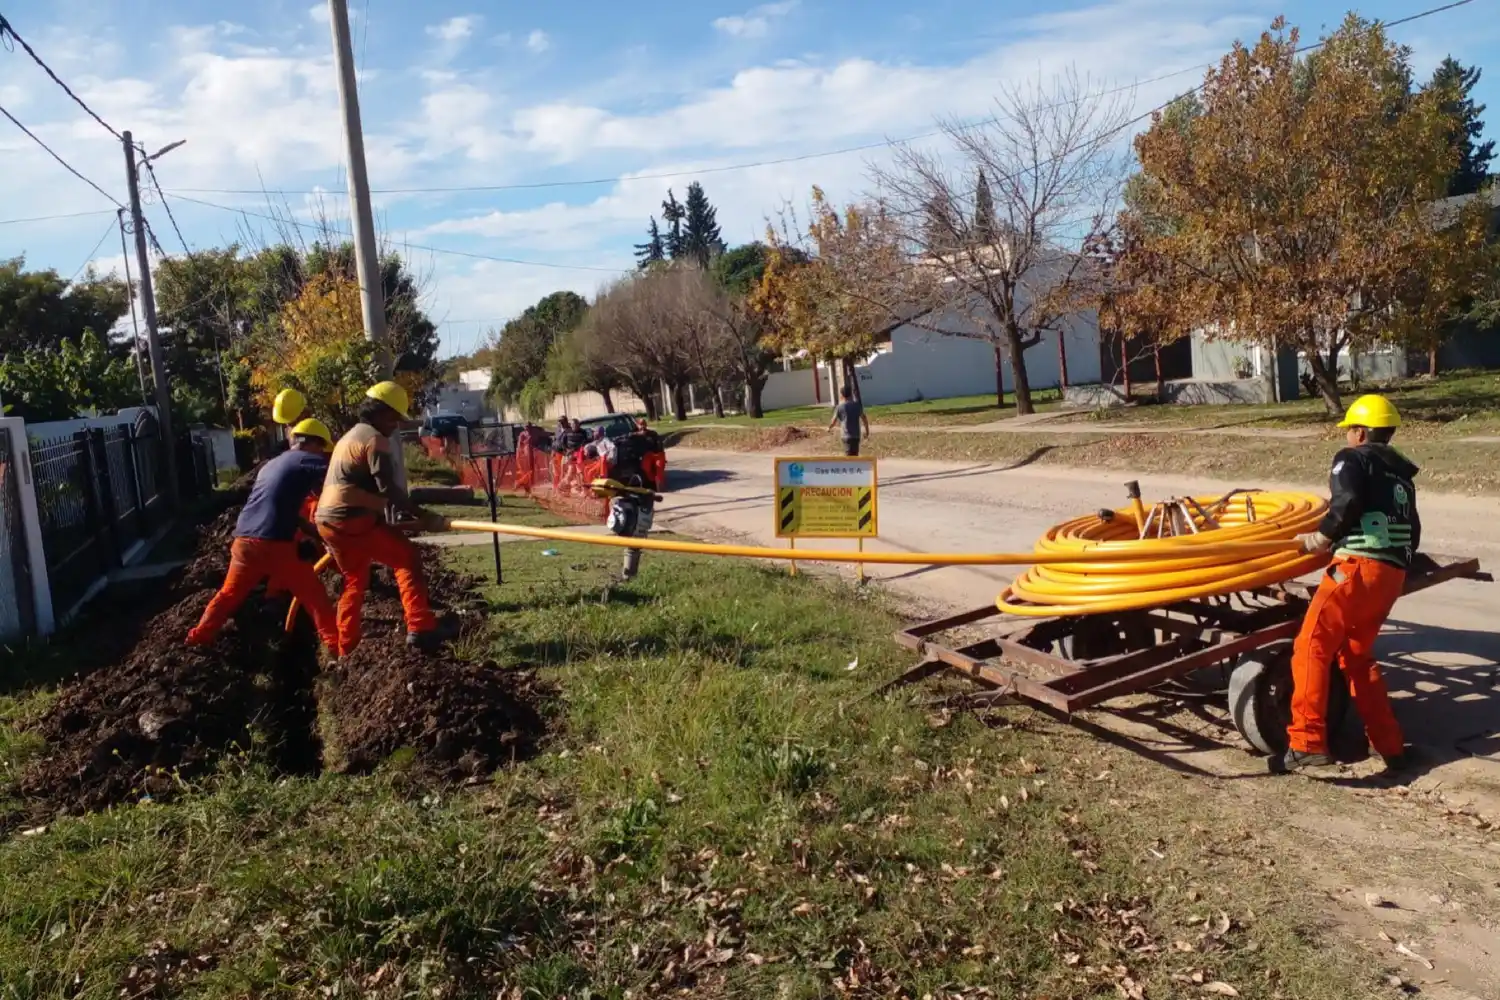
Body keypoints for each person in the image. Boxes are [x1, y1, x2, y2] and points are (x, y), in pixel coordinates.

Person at [1277, 394, 1420, 775]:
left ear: (1359, 432)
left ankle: (1306, 743)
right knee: (1357, 656)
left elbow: (1347, 500)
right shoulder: (1401, 476)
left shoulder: (1352, 458)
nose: (1347, 436)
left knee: (1311, 645)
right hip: (1391, 574)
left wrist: (1320, 538)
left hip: (1355, 569)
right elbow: (1414, 530)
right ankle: (1390, 747)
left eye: (1349, 429)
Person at [315, 381, 454, 655]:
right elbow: (388, 489)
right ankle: (420, 627)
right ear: (381, 412)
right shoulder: (374, 439)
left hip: (327, 521)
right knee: (407, 558)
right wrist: (425, 515)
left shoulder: (349, 437)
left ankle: (346, 648)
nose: (396, 425)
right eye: (394, 418)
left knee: (354, 579)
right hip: (352, 519)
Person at [187, 418, 340, 652]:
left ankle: (198, 638)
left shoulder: (271, 465)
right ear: (313, 443)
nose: (321, 454)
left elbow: (288, 512)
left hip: (244, 541)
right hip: (274, 544)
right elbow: (338, 474)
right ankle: (336, 646)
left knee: (228, 595)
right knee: (314, 596)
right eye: (321, 448)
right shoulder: (306, 458)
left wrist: (318, 536)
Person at [829, 384, 870, 457]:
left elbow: (833, 421)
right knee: (855, 455)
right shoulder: (857, 406)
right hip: (856, 435)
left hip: (846, 435)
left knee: (849, 457)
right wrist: (867, 431)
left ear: (841, 395)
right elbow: (864, 418)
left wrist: (829, 427)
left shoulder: (839, 407)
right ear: (851, 394)